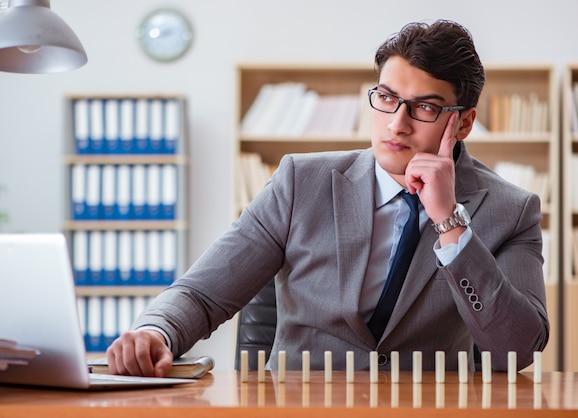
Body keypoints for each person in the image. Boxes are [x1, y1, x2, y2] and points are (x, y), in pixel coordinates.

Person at [106, 20, 549, 377]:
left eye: (426, 107)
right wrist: (155, 332)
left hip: (425, 409)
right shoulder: (301, 182)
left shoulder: (512, 211)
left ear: (465, 122)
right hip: (300, 408)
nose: (397, 124)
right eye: (388, 98)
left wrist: (451, 224)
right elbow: (203, 294)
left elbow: (517, 347)